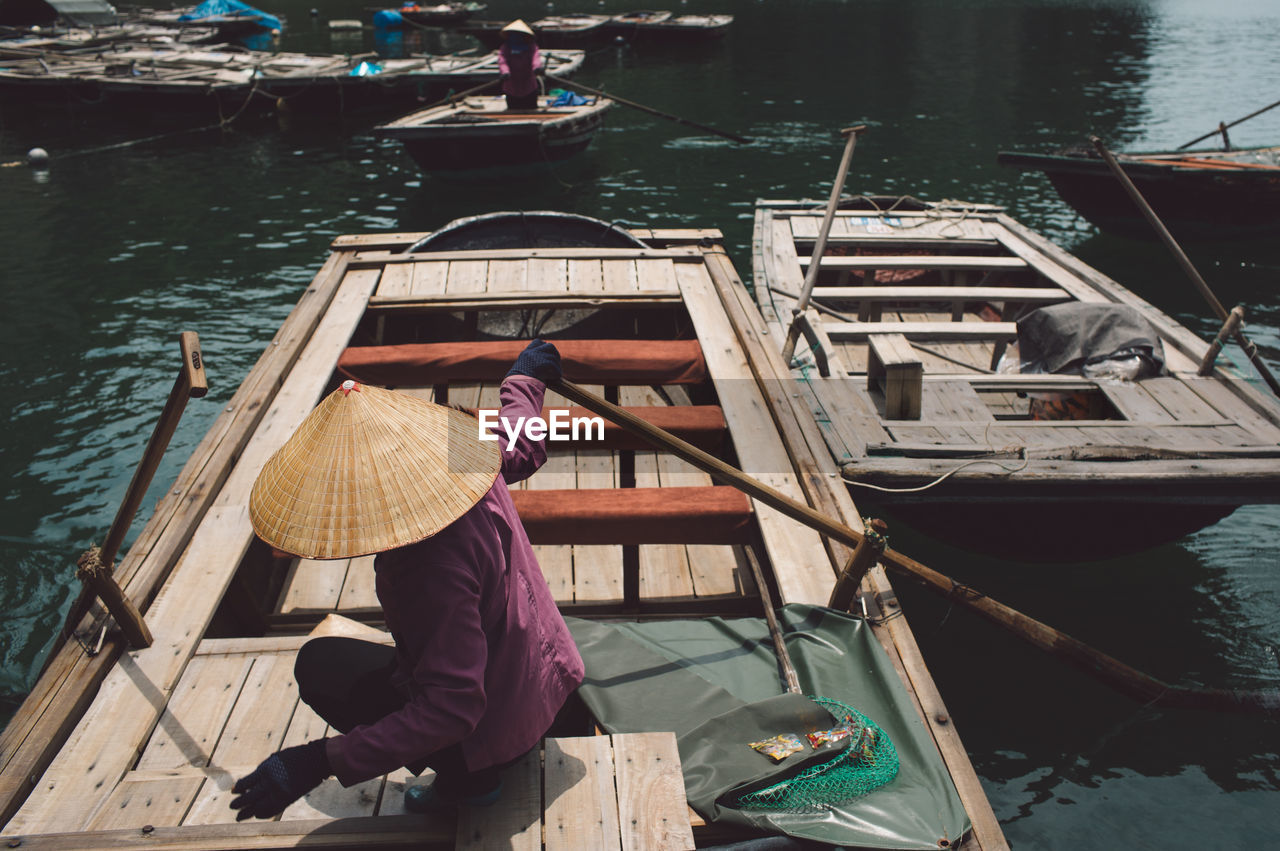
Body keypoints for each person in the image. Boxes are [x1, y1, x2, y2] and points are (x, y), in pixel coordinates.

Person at [229, 339, 584, 819]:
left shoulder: (421, 569)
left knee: (321, 665)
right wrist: (523, 381)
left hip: (493, 724)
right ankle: (492, 754)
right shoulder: (467, 460)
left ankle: (469, 779)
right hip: (544, 679)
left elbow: (453, 710)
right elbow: (521, 446)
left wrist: (322, 759)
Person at [497, 19, 543, 110]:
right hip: (511, 86)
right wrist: (505, 72)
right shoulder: (505, 48)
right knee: (513, 110)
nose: (515, 37)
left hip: (528, 85)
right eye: (513, 34)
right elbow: (502, 61)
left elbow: (536, 58)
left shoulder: (531, 47)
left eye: (518, 35)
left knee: (531, 110)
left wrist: (537, 68)